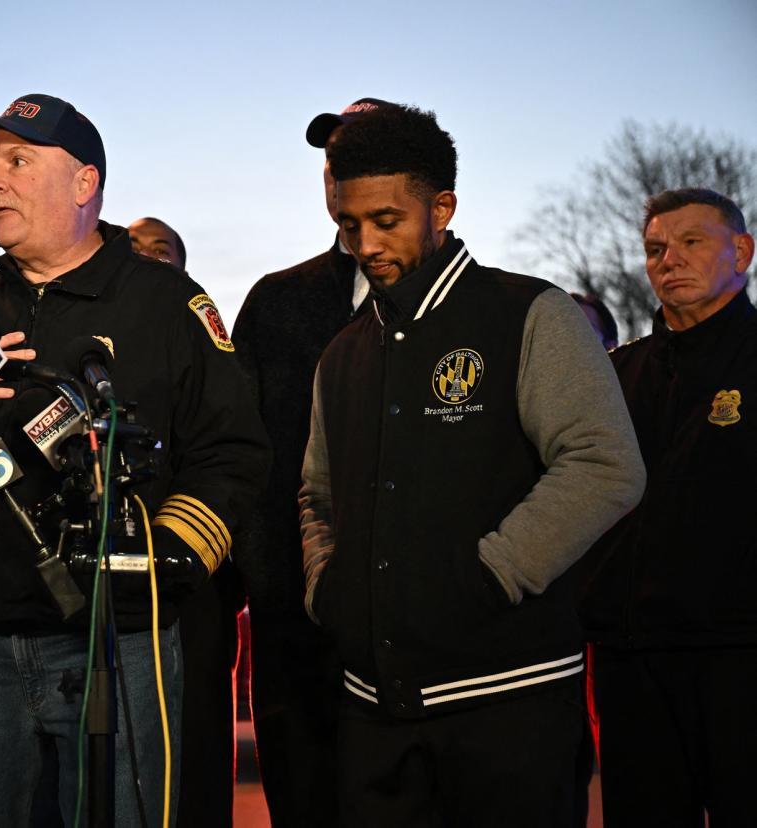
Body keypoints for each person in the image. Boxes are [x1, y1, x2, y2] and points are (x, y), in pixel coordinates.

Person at [0, 93, 269, 827]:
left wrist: (168, 554)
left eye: (17, 162)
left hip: (118, 641)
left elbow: (232, 453)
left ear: (85, 184)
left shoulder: (168, 307)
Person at [299, 103, 646, 825]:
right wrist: (324, 586)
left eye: (386, 220)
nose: (365, 243)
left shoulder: (529, 313)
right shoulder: (342, 353)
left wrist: (490, 574)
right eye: (348, 224)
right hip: (374, 716)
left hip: (509, 705)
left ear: (442, 207)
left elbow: (606, 465)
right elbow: (315, 494)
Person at [579, 188, 757, 826]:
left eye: (690, 243)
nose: (668, 260)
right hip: (632, 661)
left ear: (741, 251)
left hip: (739, 656)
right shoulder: (616, 375)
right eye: (655, 249)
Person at [229, 97, 379, 827]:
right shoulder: (276, 301)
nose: (337, 174)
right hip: (296, 626)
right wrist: (265, 580)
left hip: (427, 631)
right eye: (331, 161)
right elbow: (242, 453)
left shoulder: (481, 310)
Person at [127, 215, 243, 827]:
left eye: (161, 247)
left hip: (189, 577)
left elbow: (231, 453)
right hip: (110, 583)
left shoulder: (201, 334)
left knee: (193, 739)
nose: (145, 254)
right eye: (133, 247)